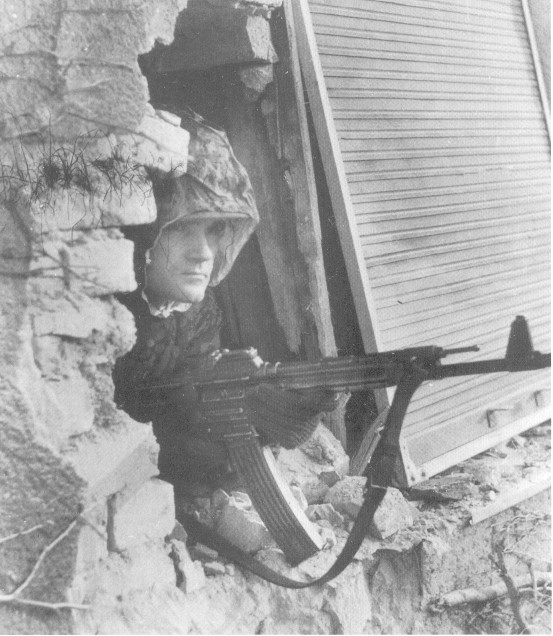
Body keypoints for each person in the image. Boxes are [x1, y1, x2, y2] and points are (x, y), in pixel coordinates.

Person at [113, 109, 338, 493]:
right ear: (145, 232)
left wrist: (272, 404)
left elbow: (189, 398)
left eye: (215, 230)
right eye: (182, 229)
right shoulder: (104, 317)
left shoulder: (198, 312)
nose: (203, 253)